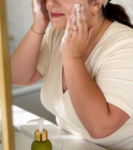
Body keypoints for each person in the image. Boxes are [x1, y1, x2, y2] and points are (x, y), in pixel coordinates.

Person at [10, 0, 133, 149]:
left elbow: (100, 128)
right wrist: (39, 25)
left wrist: (71, 57)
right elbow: (16, 77)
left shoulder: (127, 45)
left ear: (96, 3)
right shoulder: (56, 34)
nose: (52, 3)